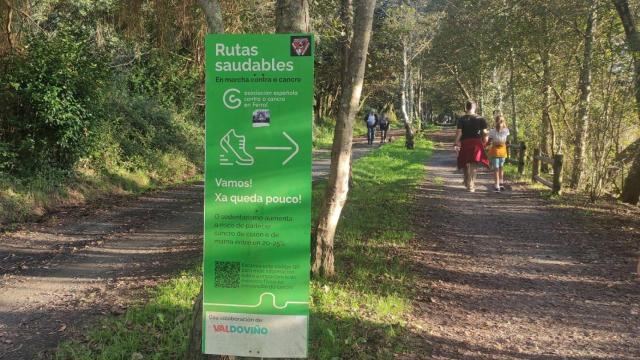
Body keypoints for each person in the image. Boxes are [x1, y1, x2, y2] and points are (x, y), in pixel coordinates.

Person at [454, 101, 488, 192]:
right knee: (473, 163)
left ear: (466, 107)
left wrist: (456, 141)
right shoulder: (480, 119)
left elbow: (459, 132)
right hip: (476, 143)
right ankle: (471, 184)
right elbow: (484, 132)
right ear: (475, 107)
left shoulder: (461, 119)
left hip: (465, 142)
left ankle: (466, 181)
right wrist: (485, 141)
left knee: (465, 162)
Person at [487, 115, 510, 192]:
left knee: (498, 168)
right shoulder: (503, 130)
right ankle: (499, 184)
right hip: (499, 151)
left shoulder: (495, 131)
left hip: (498, 151)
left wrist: (487, 143)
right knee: (499, 167)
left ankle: (498, 184)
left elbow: (489, 141)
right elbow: (506, 141)